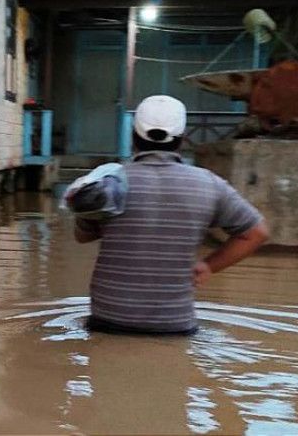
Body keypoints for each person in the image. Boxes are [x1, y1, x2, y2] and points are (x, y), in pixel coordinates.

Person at [75, 95, 269, 335]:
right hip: (174, 326)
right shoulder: (209, 184)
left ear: (134, 138)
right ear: (182, 139)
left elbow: (82, 236)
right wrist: (209, 266)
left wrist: (87, 208)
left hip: (108, 322)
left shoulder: (109, 183)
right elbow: (257, 232)